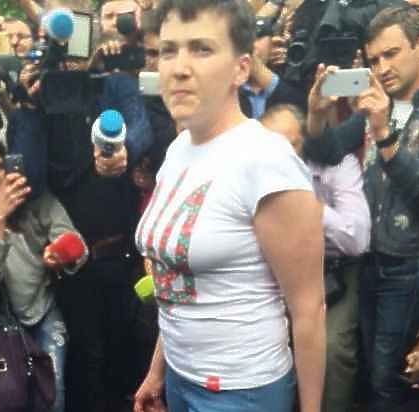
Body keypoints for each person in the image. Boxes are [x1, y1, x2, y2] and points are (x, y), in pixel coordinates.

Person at [134, 1, 325, 412]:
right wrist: (158, 370)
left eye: (201, 49)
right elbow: (177, 279)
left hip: (242, 392)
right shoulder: (178, 150)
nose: (179, 68)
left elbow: (309, 308)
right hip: (181, 379)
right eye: (168, 50)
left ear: (241, 68)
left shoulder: (266, 160)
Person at [304, 5, 419, 411]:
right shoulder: (377, 103)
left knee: (389, 381)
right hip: (371, 260)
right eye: (374, 60)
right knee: (373, 373)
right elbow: (327, 150)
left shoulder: (384, 113)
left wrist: (384, 134)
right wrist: (316, 116)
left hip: (410, 264)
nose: (382, 67)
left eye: (391, 54)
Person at [0, 136, 88, 412]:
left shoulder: (37, 200)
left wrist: (61, 252)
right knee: (10, 399)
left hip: (44, 311)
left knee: (53, 396)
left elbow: (78, 246)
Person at [261, 104, 371, 412]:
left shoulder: (338, 163)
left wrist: (308, 206)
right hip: (273, 269)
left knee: (331, 348)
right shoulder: (252, 171)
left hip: (334, 269)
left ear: (306, 141)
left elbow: (357, 239)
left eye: (291, 145)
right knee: (264, 338)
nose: (283, 156)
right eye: (273, 147)